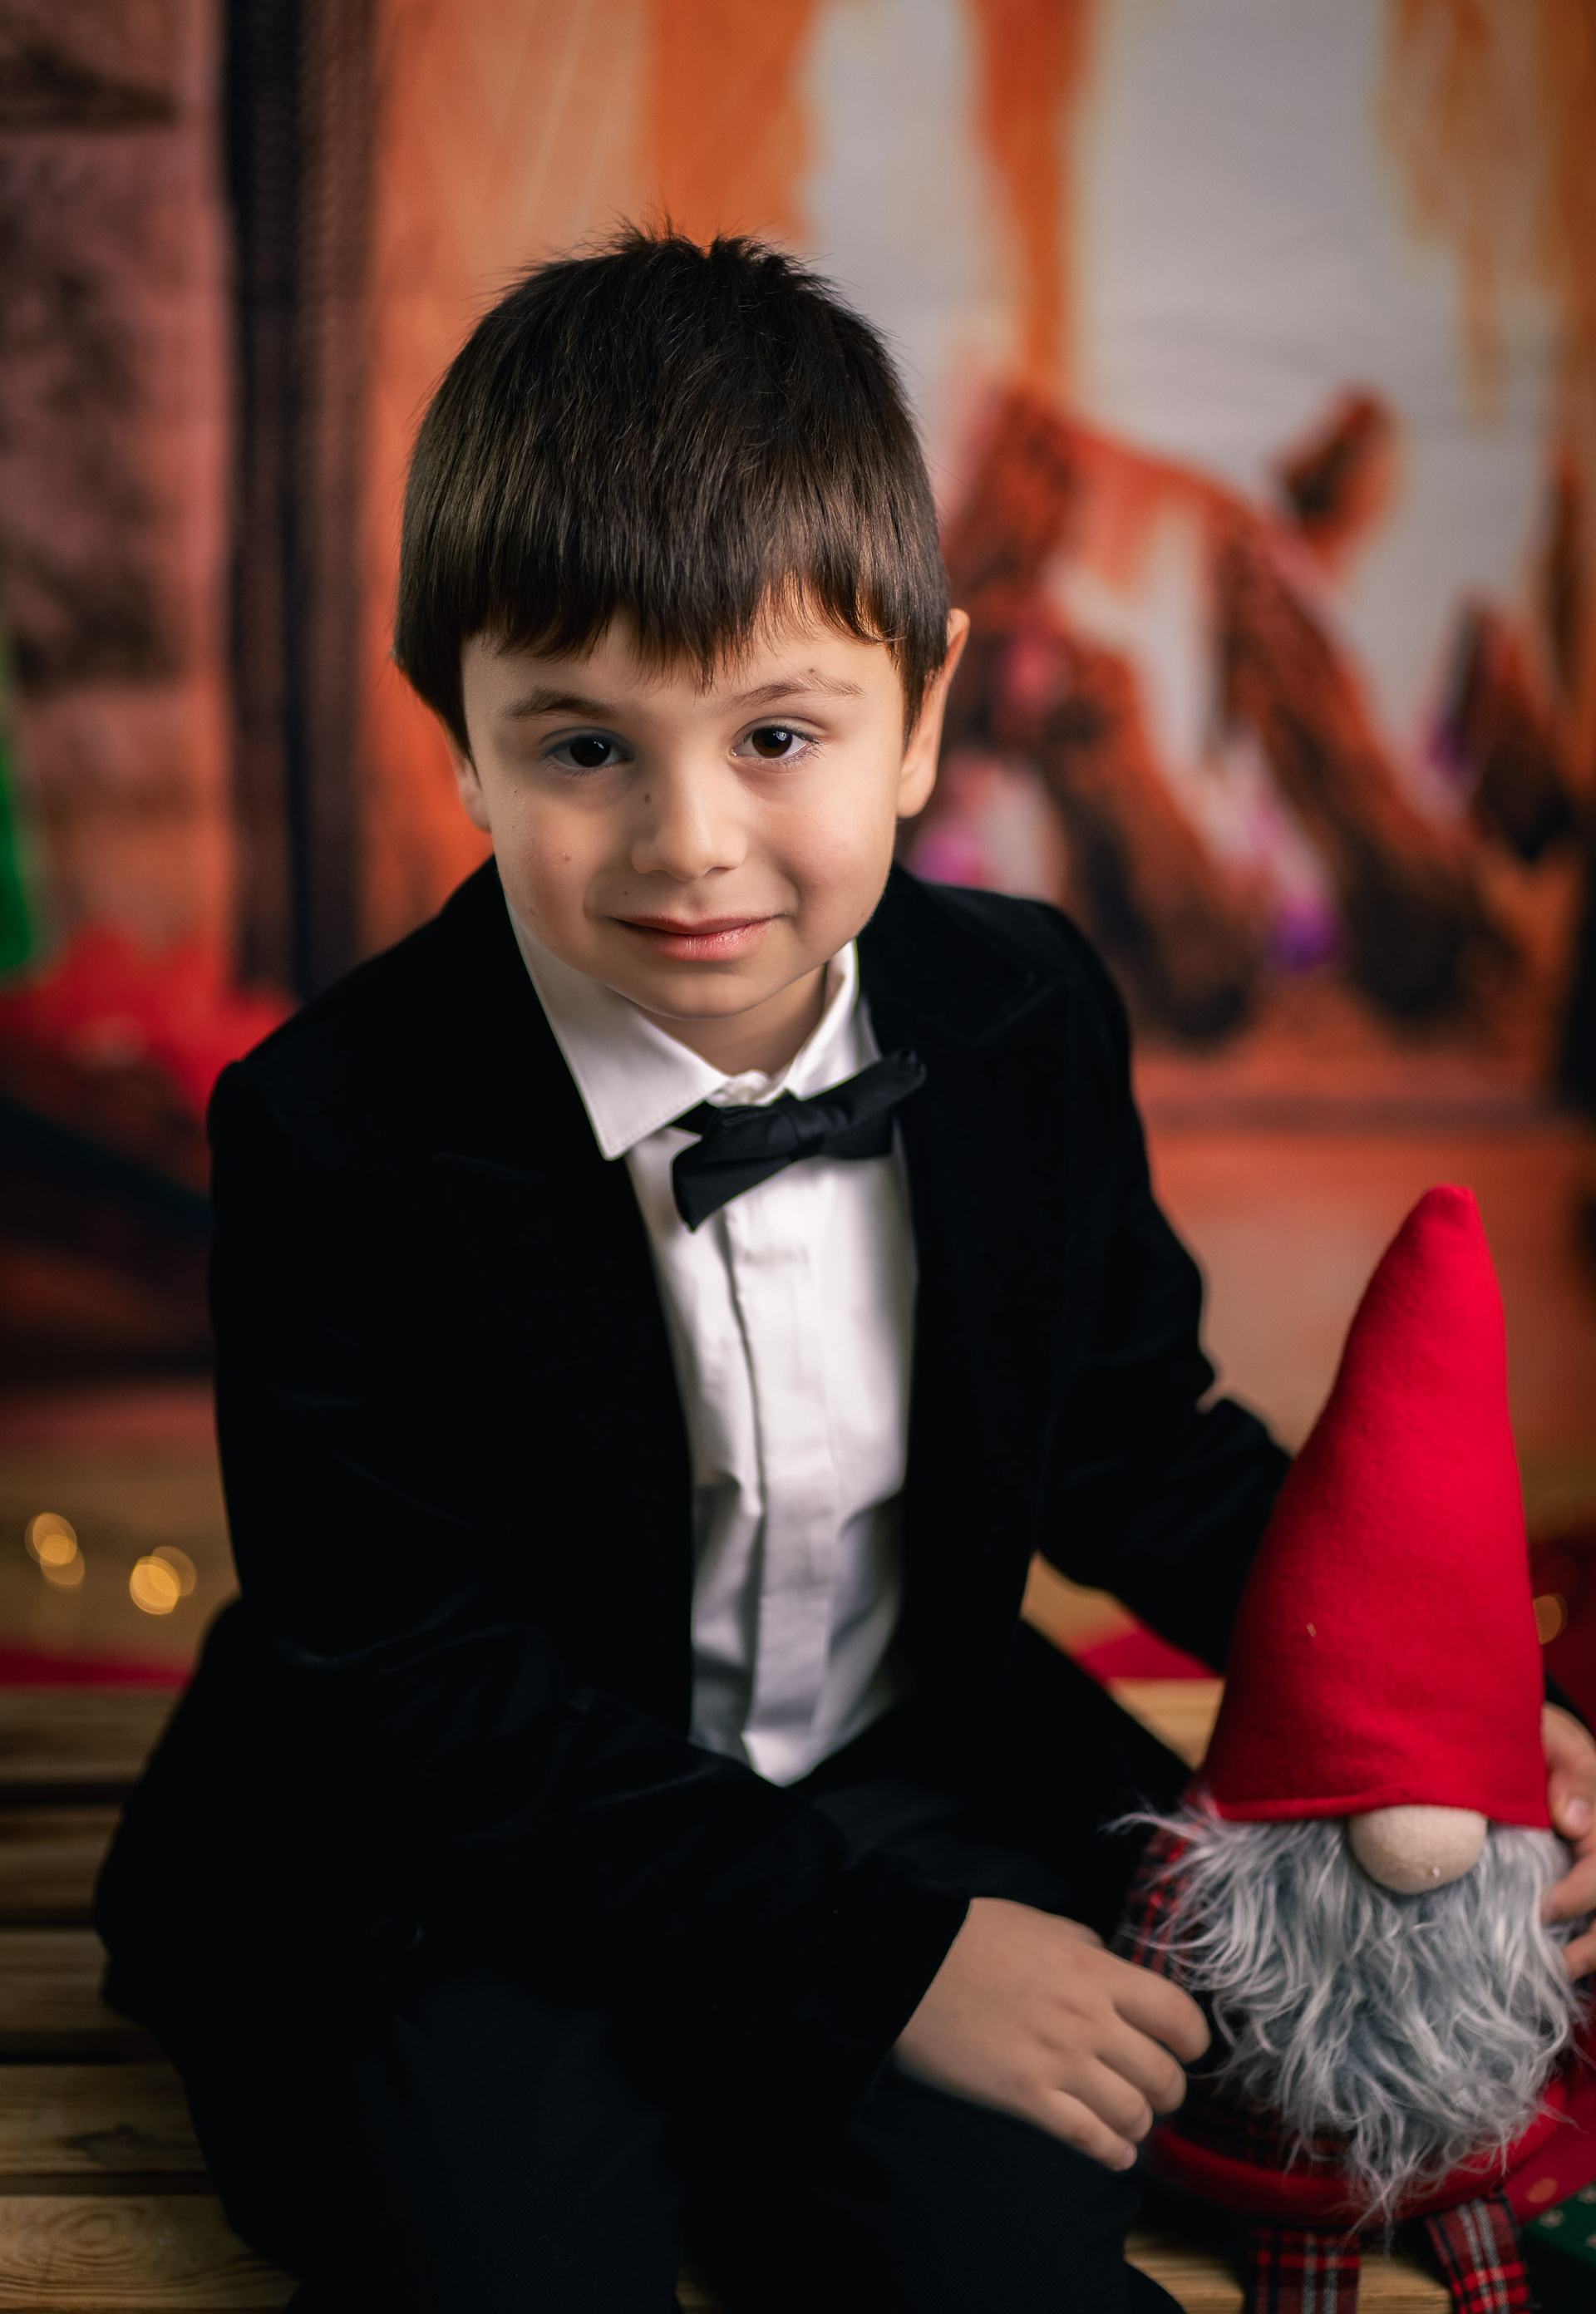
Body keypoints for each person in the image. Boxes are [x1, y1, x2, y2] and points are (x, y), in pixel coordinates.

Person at [93, 230, 1596, 2314]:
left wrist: (1440, 1699)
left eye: (777, 736)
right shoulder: (334, 1129)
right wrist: (881, 1966)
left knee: (1014, 2251)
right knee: (498, 2260)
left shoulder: (1021, 1015)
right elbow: (424, 1681)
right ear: (461, 741)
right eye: (585, 747)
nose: (690, 841)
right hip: (485, 1826)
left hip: (898, 1760)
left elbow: (1135, 1437)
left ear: (922, 716)